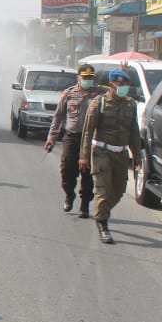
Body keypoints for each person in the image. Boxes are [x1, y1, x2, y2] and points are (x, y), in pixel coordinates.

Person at [79, 69, 141, 245]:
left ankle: (101, 210)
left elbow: (134, 131)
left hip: (121, 154)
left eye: (126, 85)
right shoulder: (99, 103)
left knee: (119, 190)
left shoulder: (131, 105)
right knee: (103, 190)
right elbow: (88, 131)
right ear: (112, 85)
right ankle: (102, 222)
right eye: (120, 84)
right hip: (101, 153)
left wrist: (137, 154)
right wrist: (84, 156)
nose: (123, 88)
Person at [45, 64, 103, 218]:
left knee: (88, 173)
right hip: (72, 136)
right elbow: (58, 117)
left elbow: (116, 94)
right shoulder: (69, 93)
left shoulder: (100, 95)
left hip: (91, 139)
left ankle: (84, 205)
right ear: (78, 77)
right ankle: (69, 195)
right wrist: (52, 137)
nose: (88, 80)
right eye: (85, 77)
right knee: (67, 170)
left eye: (91, 78)